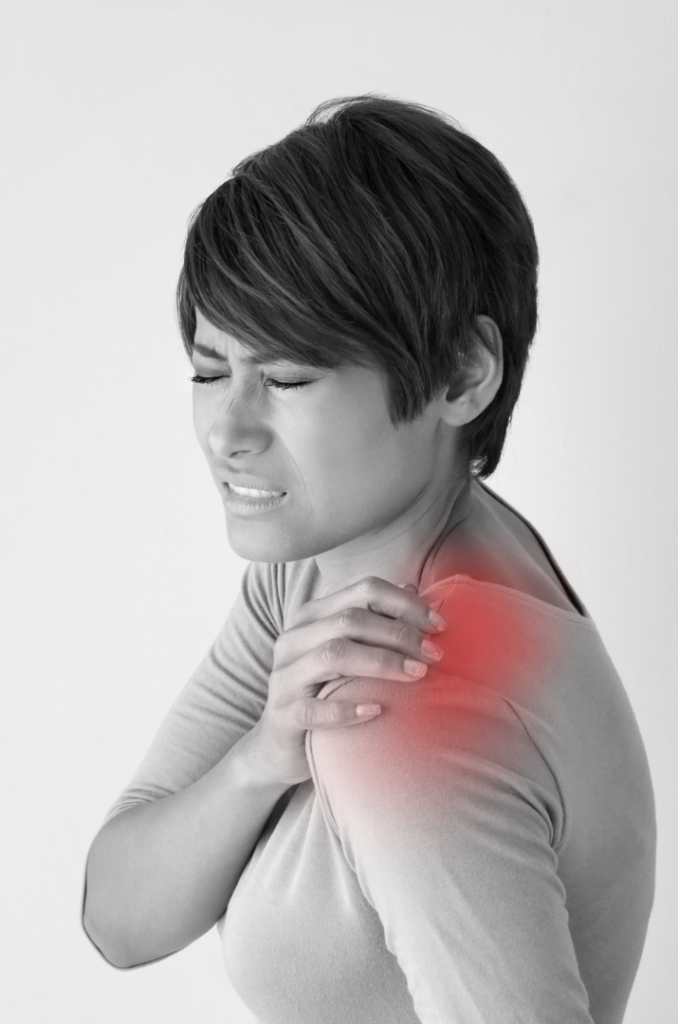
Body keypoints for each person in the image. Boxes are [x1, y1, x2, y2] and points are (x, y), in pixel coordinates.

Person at [80, 95, 655, 1024]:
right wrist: (261, 759)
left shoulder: (408, 685)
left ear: (462, 374)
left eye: (289, 378)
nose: (228, 430)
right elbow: (118, 915)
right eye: (207, 369)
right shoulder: (331, 567)